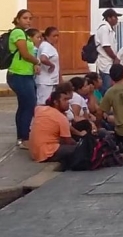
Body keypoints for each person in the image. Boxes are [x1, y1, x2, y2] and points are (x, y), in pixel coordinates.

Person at [7, 9, 42, 149]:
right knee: (29, 104)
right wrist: (37, 61)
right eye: (25, 18)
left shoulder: (25, 34)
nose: (28, 20)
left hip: (25, 74)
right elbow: (25, 54)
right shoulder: (17, 33)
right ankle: (24, 137)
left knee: (23, 106)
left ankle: (21, 137)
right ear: (18, 19)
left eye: (30, 18)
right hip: (18, 74)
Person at [29, 87, 76, 166]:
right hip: (47, 152)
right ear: (56, 102)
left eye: (68, 99)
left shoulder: (39, 109)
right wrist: (79, 145)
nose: (68, 102)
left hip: (34, 152)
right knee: (78, 149)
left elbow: (37, 107)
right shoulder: (61, 118)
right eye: (65, 100)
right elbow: (68, 141)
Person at [95, 8, 122, 95]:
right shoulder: (104, 29)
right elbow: (106, 46)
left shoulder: (109, 29)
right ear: (109, 18)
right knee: (106, 88)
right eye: (115, 17)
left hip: (109, 63)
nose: (117, 19)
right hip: (105, 63)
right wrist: (115, 58)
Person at [36, 27, 60, 105]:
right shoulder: (46, 46)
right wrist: (51, 65)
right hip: (46, 81)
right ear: (46, 36)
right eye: (54, 36)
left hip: (51, 81)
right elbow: (43, 58)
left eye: (57, 36)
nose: (56, 38)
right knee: (43, 104)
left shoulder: (49, 46)